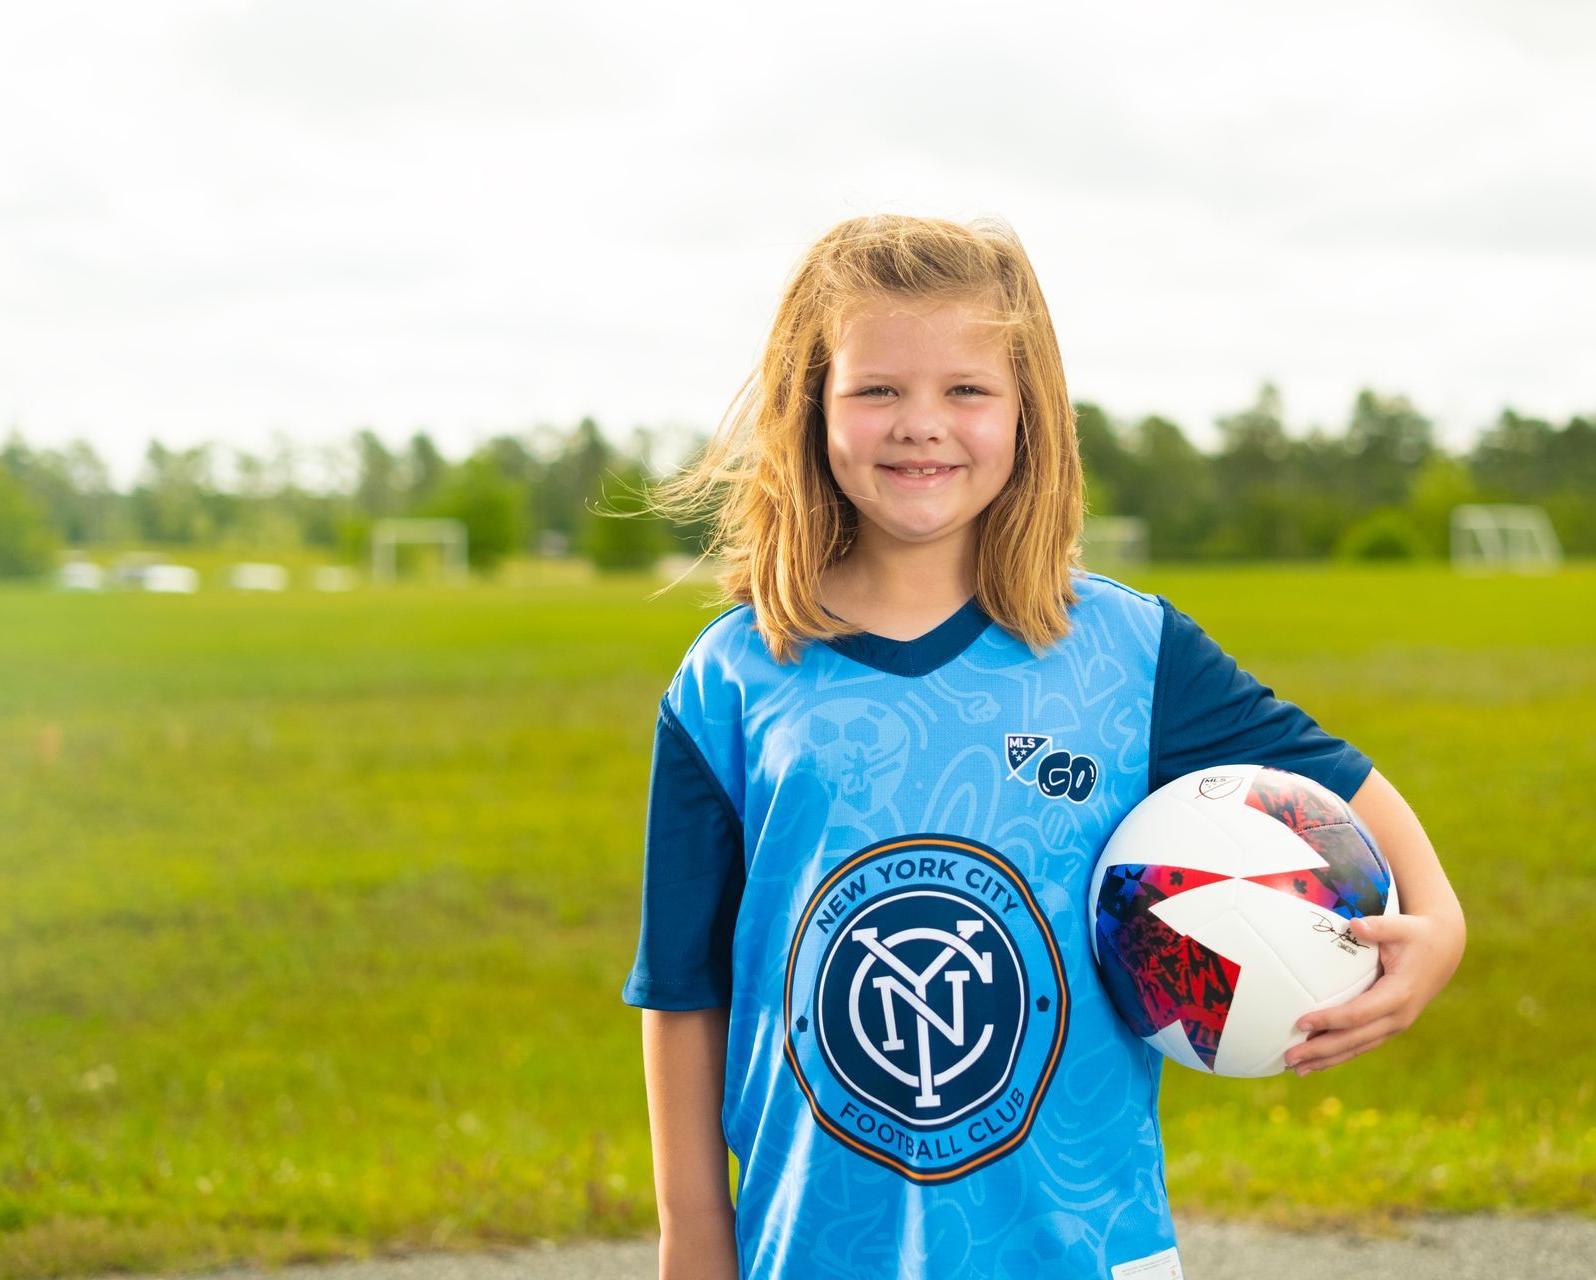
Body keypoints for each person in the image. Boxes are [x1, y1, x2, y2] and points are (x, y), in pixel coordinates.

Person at [619, 213, 1467, 1280]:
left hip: (1084, 1246)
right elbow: (683, 988)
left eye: (966, 389)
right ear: (812, 407)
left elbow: (1338, 785)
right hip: (819, 1248)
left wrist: (1440, 925)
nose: (921, 424)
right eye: (878, 389)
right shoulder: (732, 678)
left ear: (1029, 411)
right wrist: (695, 1237)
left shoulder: (1129, 652)